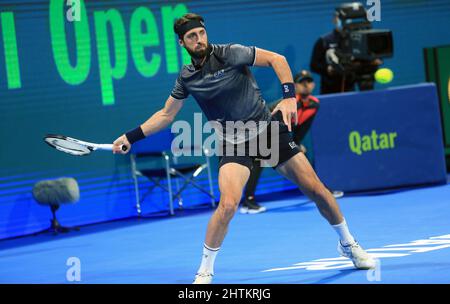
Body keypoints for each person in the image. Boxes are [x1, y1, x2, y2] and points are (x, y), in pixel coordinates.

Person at [112, 13, 376, 284]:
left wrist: (288, 98)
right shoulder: (187, 77)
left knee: (317, 190)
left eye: (201, 33)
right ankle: (205, 270)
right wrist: (130, 137)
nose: (199, 39)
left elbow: (277, 59)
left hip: (267, 131)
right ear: (182, 43)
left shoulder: (231, 53)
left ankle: (348, 244)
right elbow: (166, 115)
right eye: (192, 36)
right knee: (227, 205)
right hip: (232, 142)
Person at [240, 70, 343, 214]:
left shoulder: (315, 104)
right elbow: (276, 127)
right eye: (302, 82)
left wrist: (297, 143)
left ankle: (321, 190)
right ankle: (247, 201)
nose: (306, 85)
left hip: (278, 134)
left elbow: (302, 129)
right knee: (258, 162)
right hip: (259, 130)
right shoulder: (285, 105)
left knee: (301, 158)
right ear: (295, 86)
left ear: (313, 84)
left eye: (309, 81)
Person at [310, 8, 382, 94]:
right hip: (330, 89)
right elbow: (314, 65)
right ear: (334, 20)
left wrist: (372, 62)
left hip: (353, 87)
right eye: (339, 18)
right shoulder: (324, 41)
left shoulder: (359, 39)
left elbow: (374, 58)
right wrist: (327, 69)